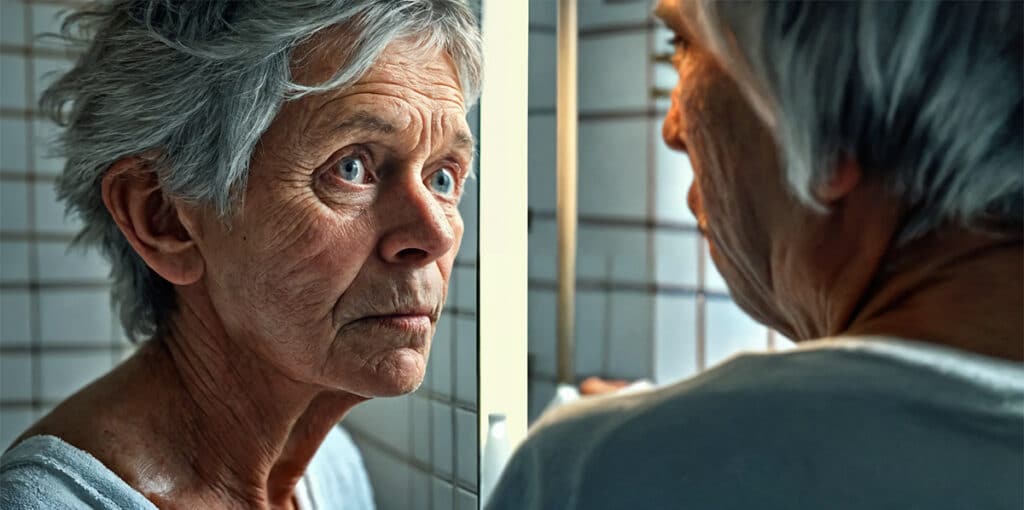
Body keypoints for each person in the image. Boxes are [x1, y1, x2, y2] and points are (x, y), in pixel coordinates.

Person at [486, 0, 1023, 508]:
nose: (673, 130)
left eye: (684, 44)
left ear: (832, 120)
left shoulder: (596, 475)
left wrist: (657, 442)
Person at [0, 1, 482, 508]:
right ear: (163, 218)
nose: (435, 233)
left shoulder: (332, 470)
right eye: (351, 168)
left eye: (442, 177)